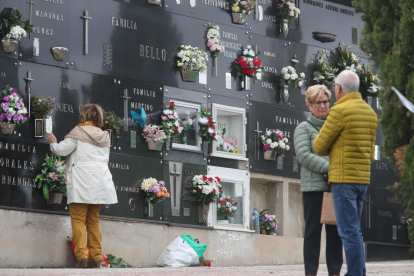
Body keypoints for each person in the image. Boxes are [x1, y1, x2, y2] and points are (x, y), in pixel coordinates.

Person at [314, 70, 378, 276]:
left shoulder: (340, 110)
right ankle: (359, 271)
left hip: (343, 180)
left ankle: (355, 274)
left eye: (334, 86)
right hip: (362, 180)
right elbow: (370, 153)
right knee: (354, 231)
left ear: (339, 88)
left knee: (348, 232)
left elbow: (320, 145)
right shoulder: (370, 113)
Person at [46, 104, 118, 268]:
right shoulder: (105, 136)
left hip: (82, 181)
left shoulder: (78, 133)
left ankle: (81, 258)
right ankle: (96, 257)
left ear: (83, 116)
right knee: (93, 221)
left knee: (78, 219)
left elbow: (62, 150)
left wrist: (53, 143)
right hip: (101, 182)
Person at [294, 85, 343, 276]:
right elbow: (304, 156)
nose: (322, 106)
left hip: (334, 187)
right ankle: (311, 273)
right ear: (309, 104)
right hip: (314, 189)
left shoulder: (336, 127)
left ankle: (335, 272)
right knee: (312, 234)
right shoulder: (303, 129)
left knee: (335, 235)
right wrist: (329, 168)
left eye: (325, 102)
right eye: (317, 103)